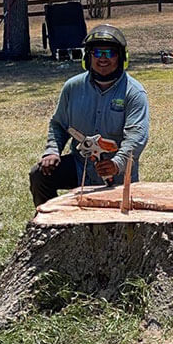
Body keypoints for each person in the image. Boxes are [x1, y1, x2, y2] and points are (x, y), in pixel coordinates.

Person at [30, 24, 150, 207]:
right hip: (81, 166)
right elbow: (59, 124)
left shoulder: (133, 93)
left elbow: (137, 137)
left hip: (116, 172)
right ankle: (51, 226)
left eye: (110, 53)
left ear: (121, 57)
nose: (103, 59)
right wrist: (52, 151)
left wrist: (117, 163)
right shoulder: (72, 88)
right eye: (97, 53)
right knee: (39, 174)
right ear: (88, 56)